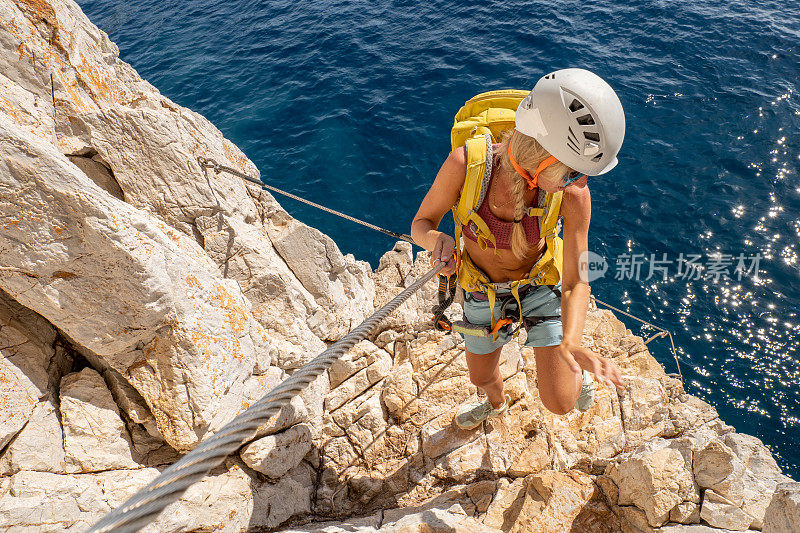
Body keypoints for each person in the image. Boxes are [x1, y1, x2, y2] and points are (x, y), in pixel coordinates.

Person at [411, 68, 626, 429]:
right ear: (543, 156)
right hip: (482, 289)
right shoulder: (467, 165)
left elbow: (576, 281)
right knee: (481, 378)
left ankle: (577, 378)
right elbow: (421, 225)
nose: (580, 182)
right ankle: (496, 405)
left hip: (539, 285)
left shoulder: (573, 195)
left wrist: (571, 344)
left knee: (560, 403)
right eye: (573, 171)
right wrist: (438, 241)